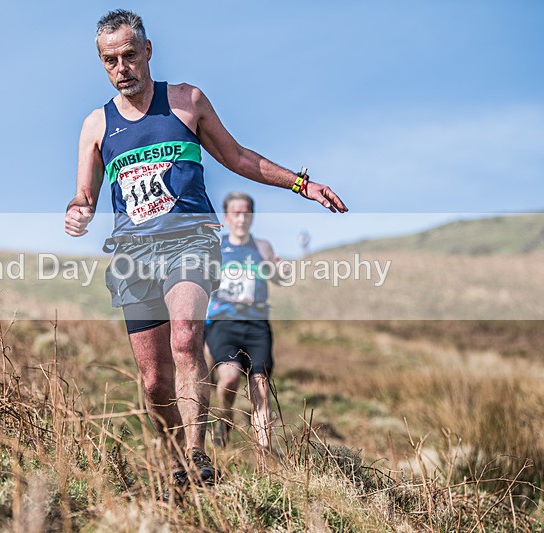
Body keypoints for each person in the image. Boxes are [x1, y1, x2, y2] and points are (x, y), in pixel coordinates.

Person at [64, 9, 348, 489]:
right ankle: (176, 457)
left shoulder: (186, 102)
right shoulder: (96, 125)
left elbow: (237, 157)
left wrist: (302, 184)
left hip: (190, 241)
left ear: (148, 51)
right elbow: (84, 195)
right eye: (110, 61)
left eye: (130, 55)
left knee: (185, 340)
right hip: (134, 256)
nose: (122, 68)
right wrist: (77, 210)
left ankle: (196, 456)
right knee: (155, 381)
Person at [205, 192, 284, 453]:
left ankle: (265, 457)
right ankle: (225, 416)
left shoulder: (262, 247)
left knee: (260, 387)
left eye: (246, 213)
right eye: (236, 213)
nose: (241, 218)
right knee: (228, 378)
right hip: (223, 322)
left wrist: (281, 271)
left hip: (257, 324)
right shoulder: (216, 247)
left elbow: (277, 278)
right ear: (227, 218)